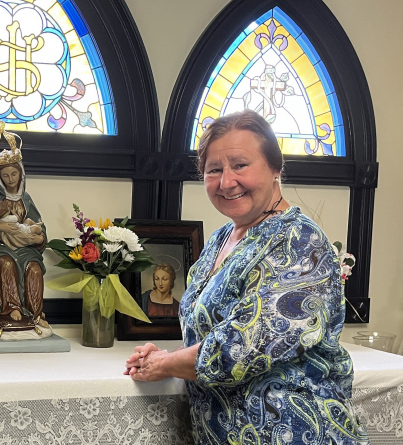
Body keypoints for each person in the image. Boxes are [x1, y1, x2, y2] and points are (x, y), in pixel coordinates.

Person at [124, 110, 369, 444]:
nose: (226, 182)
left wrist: (167, 364)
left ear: (275, 168)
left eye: (240, 165)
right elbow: (211, 329)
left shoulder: (299, 242)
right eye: (214, 170)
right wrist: (170, 356)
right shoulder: (221, 239)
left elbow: (242, 349)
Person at [0, 123, 48, 333]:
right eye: (5, 176)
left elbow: (39, 227)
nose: (10, 179)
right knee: (4, 263)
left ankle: (35, 312)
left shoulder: (27, 199)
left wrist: (38, 239)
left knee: (34, 267)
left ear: (20, 173)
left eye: (13, 174)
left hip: (24, 248)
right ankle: (11, 309)